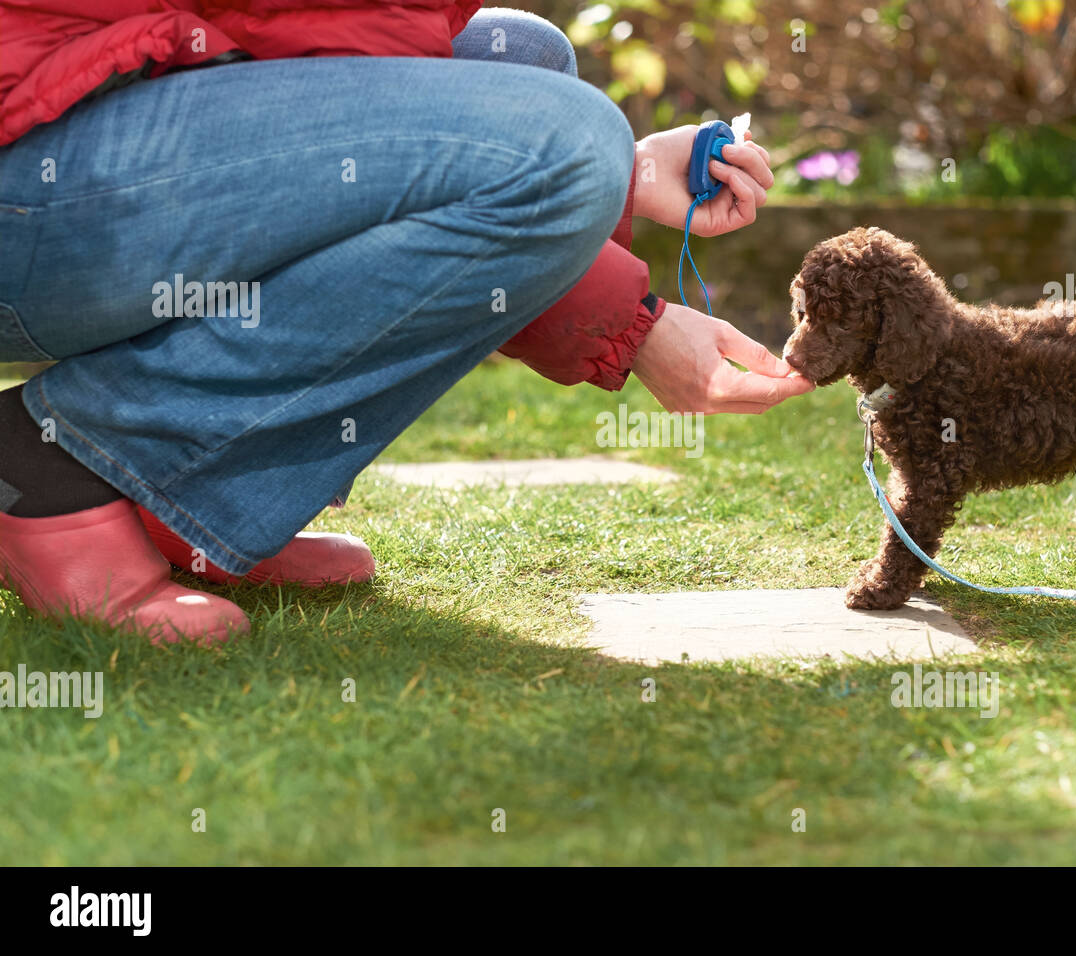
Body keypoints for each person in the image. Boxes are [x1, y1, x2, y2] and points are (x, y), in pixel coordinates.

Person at [0, 3, 812, 642]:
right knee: (563, 143)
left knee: (524, 59)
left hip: (80, 117)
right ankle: (56, 468)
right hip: (26, 180)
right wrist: (637, 313)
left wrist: (623, 185)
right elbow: (337, 51)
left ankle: (176, 502)